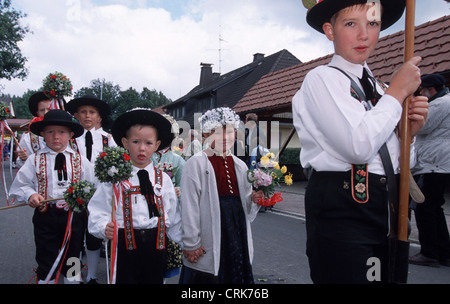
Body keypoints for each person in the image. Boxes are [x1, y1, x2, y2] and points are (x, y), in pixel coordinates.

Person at [292, 0, 429, 283]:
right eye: (351, 24)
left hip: (384, 209)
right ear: (330, 31)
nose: (364, 35)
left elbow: (396, 163)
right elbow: (358, 147)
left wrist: (408, 137)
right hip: (345, 209)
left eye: (373, 24)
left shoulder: (378, 89)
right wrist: (397, 93)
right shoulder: (321, 79)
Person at [87, 108, 182, 284]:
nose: (142, 148)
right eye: (136, 141)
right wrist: (102, 226)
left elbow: (174, 217)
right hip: (124, 245)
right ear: (125, 142)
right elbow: (97, 209)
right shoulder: (114, 179)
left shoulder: (163, 180)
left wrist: (189, 244)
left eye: (148, 143)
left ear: (157, 144)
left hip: (156, 244)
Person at [9, 110, 97, 284]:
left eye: (62, 132)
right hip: (45, 216)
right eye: (50, 132)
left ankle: (73, 279)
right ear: (42, 134)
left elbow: (93, 187)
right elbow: (21, 184)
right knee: (45, 253)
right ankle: (46, 279)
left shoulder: (81, 161)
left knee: (73, 253)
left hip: (73, 217)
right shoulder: (34, 160)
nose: (56, 137)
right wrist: (31, 194)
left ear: (71, 135)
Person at [179, 107, 264, 284]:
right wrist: (191, 243)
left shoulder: (241, 166)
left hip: (236, 238)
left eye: (230, 132)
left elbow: (246, 207)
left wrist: (254, 200)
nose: (225, 137)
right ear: (205, 135)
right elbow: (189, 207)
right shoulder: (196, 164)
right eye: (217, 133)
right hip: (210, 236)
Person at [65, 94, 117, 284]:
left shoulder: (108, 140)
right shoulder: (69, 139)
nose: (87, 116)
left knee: (94, 236)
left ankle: (92, 276)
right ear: (76, 116)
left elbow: (117, 166)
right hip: (75, 196)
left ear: (99, 117)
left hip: (100, 195)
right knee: (74, 236)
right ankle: (73, 275)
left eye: (92, 112)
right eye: (83, 112)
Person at [410, 74, 450, 267]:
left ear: (431, 90)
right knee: (434, 208)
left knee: (424, 206)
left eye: (422, 91)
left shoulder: (439, 104)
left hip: (433, 163)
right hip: (440, 163)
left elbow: (419, 126)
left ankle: (429, 252)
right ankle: (444, 253)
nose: (421, 95)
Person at [16, 92, 51, 168]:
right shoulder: (28, 137)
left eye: (49, 109)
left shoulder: (67, 134)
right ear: (37, 113)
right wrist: (23, 159)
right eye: (42, 110)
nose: (46, 113)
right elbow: (20, 164)